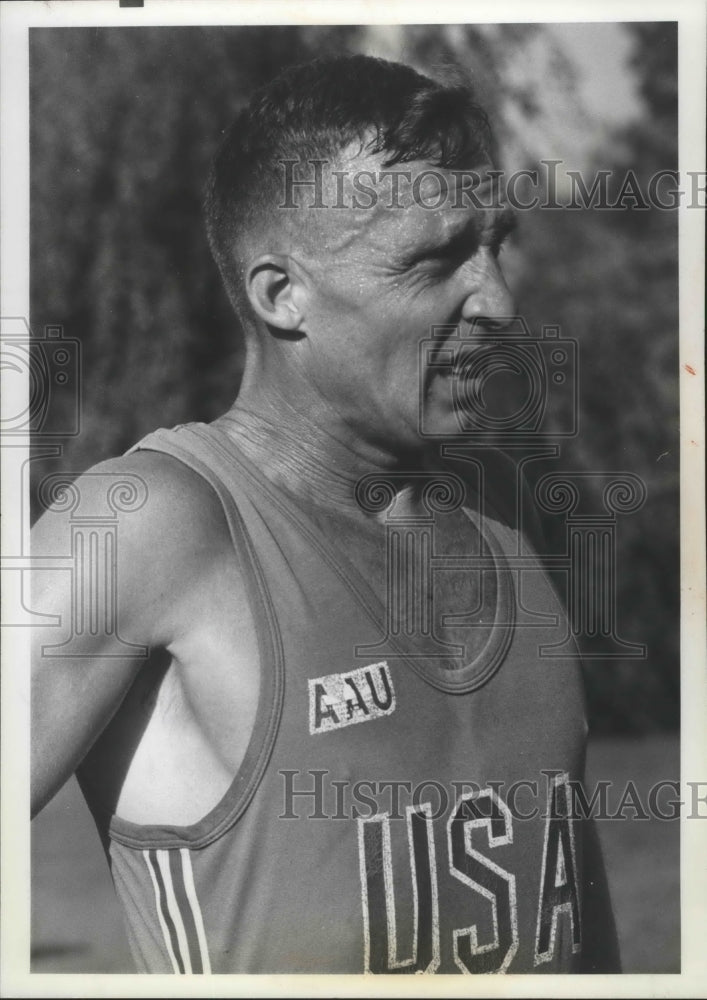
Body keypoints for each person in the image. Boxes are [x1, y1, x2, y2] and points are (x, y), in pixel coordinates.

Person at [31, 54, 620, 974]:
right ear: (281, 296)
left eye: (496, 243)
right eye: (436, 260)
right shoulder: (152, 523)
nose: (499, 301)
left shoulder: (512, 544)